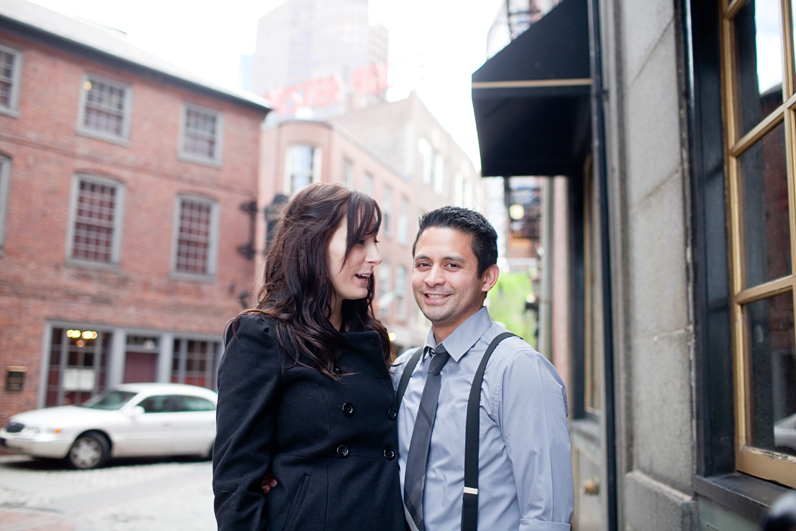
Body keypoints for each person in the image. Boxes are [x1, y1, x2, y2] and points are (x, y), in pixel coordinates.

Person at [213, 183, 405, 531]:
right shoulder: (261, 336)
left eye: (375, 241)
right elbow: (236, 483)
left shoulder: (369, 337)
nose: (375, 256)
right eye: (359, 241)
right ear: (313, 243)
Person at [392, 206, 574, 531]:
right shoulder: (404, 371)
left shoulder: (518, 370)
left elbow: (547, 518)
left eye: (452, 264)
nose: (433, 278)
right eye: (423, 264)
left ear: (487, 278)